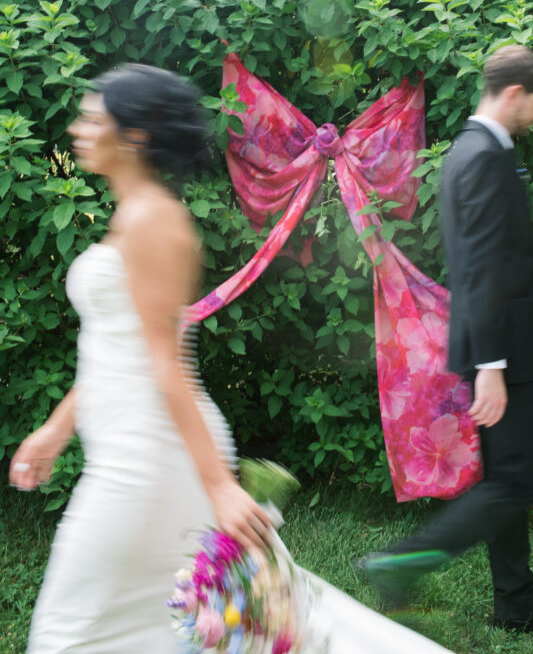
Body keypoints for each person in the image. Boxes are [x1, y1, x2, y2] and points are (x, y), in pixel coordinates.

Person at [10, 63, 454, 654]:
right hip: (132, 448)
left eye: (94, 117)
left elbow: (166, 364)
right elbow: (117, 349)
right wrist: (54, 430)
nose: (78, 128)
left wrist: (218, 485)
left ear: (135, 136)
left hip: (151, 457)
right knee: (163, 632)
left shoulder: (154, 222)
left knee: (69, 634)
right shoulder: (131, 216)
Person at [361, 45, 533, 637]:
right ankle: (400, 563)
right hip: (502, 352)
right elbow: (483, 266)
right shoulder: (484, 157)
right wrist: (491, 364)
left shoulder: (470, 150)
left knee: (505, 481)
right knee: (515, 482)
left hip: (498, 347)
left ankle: (515, 606)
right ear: (513, 94)